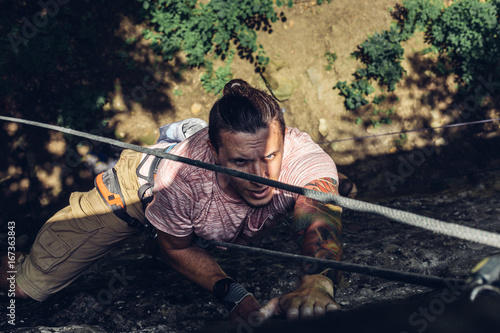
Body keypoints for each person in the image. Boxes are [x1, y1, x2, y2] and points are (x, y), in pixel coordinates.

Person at [1, 79, 343, 323]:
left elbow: (318, 214)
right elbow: (177, 247)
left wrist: (316, 281)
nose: (261, 175)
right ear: (214, 151)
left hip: (190, 216)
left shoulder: (304, 158)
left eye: (270, 155)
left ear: (284, 139)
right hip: (133, 194)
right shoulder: (181, 179)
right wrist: (236, 296)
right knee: (30, 285)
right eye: (241, 162)